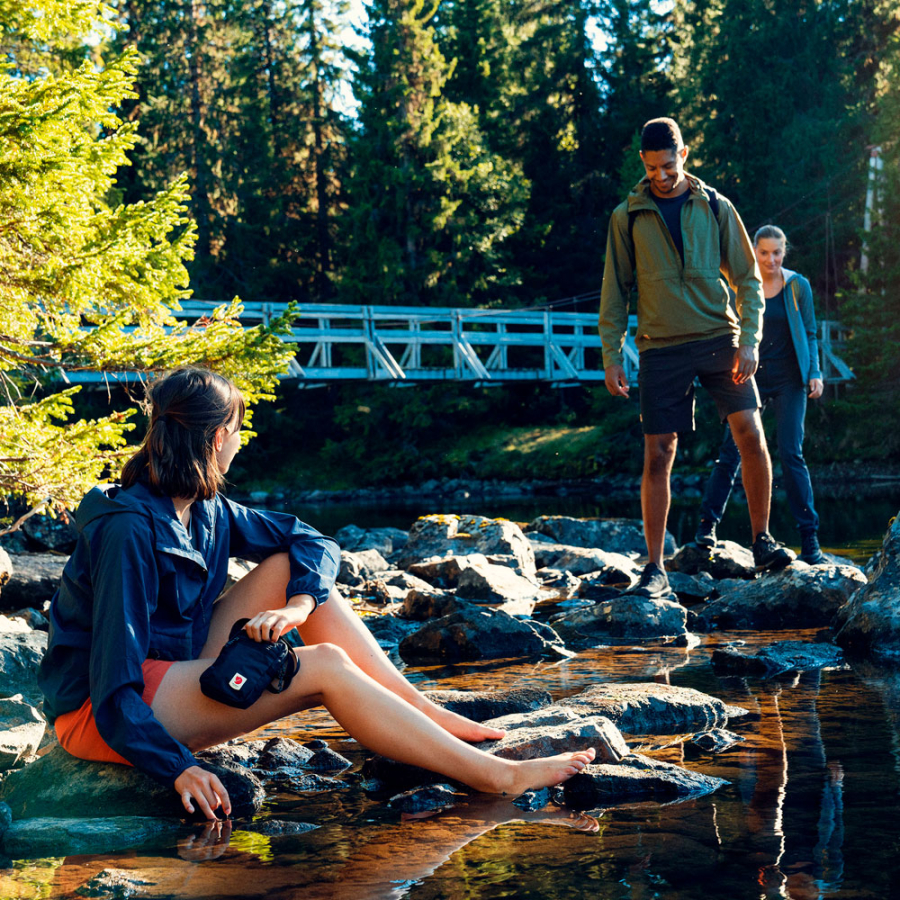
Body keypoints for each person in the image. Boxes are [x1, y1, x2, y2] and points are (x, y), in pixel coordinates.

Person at [38, 367, 595, 820]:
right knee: (325, 665)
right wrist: (176, 765)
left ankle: (424, 711)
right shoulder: (126, 529)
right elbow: (113, 685)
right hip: (102, 709)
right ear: (215, 438)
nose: (240, 441)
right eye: (237, 429)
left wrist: (299, 603)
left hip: (169, 664)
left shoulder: (204, 507)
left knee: (290, 566)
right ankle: (497, 777)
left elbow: (312, 539)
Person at [599, 117, 793, 598]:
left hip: (719, 338)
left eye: (667, 166)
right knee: (659, 453)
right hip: (660, 347)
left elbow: (748, 279)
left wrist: (749, 340)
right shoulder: (628, 216)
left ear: (683, 155)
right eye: (651, 168)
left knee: (750, 432)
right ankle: (655, 567)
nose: (661, 176)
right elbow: (614, 292)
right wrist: (611, 355)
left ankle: (762, 541)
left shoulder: (715, 205)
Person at [695, 225, 826, 565]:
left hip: (789, 381)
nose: (770, 259)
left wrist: (814, 371)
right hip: (746, 377)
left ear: (785, 252)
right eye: (764, 252)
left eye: (777, 252)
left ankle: (810, 542)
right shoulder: (741, 283)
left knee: (791, 453)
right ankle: (706, 528)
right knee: (731, 452)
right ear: (754, 251)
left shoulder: (798, 287)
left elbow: (810, 333)